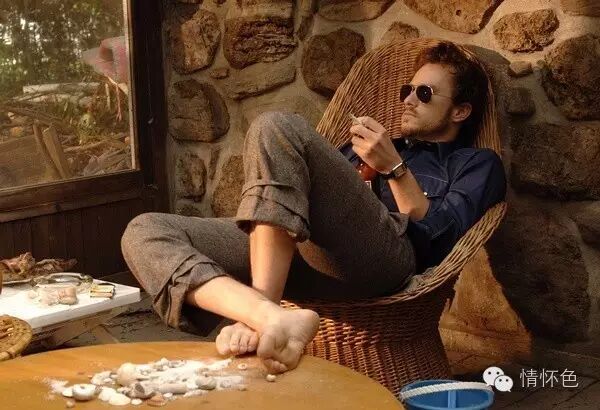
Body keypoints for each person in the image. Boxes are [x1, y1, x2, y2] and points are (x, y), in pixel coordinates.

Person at [121, 41, 506, 375]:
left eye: (424, 93)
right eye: (408, 90)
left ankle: (260, 314)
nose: (407, 100)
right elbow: (289, 192)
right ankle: (267, 316)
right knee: (145, 230)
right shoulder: (373, 146)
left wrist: (394, 169)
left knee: (276, 125)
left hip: (387, 260)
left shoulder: (475, 164)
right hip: (304, 249)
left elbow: (441, 242)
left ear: (460, 111)